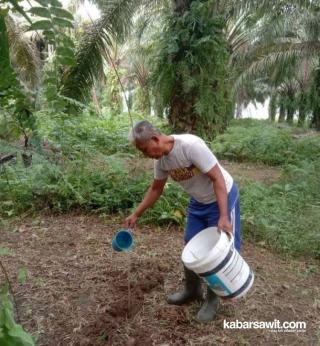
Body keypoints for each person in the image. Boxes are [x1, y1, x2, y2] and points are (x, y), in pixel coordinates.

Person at [124, 120, 241, 322]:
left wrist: (223, 216)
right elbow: (156, 189)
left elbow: (217, 178)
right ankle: (192, 290)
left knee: (218, 249)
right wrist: (136, 214)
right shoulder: (160, 162)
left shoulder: (190, 146)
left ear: (155, 139)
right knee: (190, 245)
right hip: (199, 201)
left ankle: (213, 299)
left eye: (145, 150)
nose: (146, 155)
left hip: (221, 196)